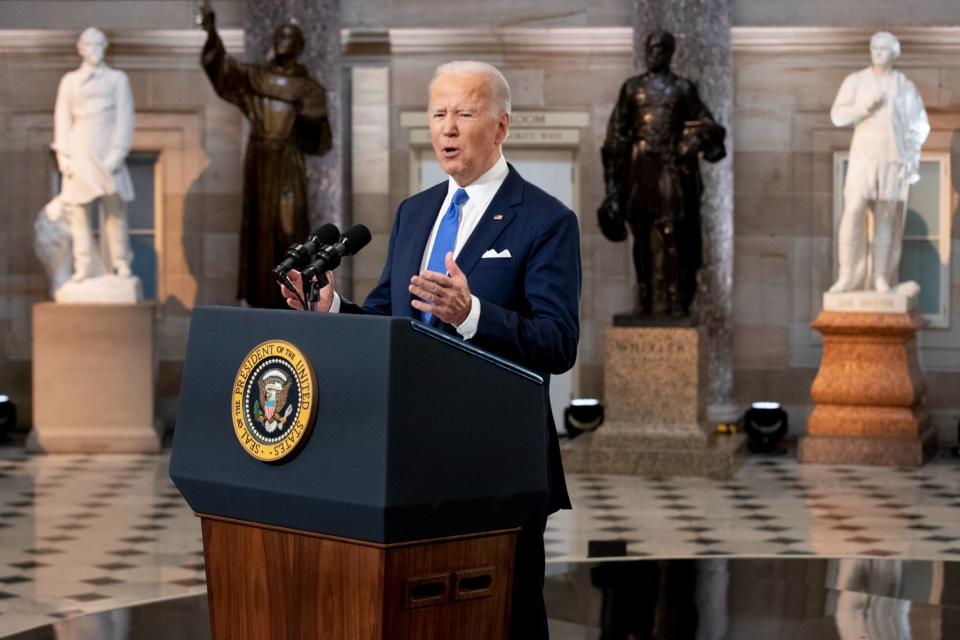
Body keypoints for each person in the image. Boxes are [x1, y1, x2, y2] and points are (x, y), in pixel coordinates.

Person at [282, 60, 581, 640]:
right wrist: (335, 312)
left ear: (500, 127)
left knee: (504, 619)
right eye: (438, 113)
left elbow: (558, 341)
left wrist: (472, 314)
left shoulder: (546, 220)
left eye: (465, 113)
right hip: (407, 457)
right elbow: (389, 319)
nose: (448, 127)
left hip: (499, 465)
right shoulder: (415, 212)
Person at [201, 5, 332, 308]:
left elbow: (321, 142)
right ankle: (261, 297)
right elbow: (222, 71)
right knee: (258, 232)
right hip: (260, 162)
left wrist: (310, 122)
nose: (284, 40)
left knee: (288, 230)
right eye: (280, 35)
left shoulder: (310, 89)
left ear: (298, 46)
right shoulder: (254, 77)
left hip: (288, 165)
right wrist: (211, 33)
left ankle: (292, 297)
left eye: (290, 36)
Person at [598, 30, 725, 317]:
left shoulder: (682, 88)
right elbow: (617, 135)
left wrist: (694, 141)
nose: (655, 53)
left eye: (661, 48)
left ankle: (675, 299)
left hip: (669, 166)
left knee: (671, 232)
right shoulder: (632, 89)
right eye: (651, 48)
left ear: (669, 53)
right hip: (639, 164)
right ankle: (644, 297)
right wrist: (612, 189)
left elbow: (708, 124)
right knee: (640, 234)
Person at [828, 31, 929, 294]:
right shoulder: (857, 81)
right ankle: (847, 274)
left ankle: (880, 277)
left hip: (891, 154)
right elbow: (837, 116)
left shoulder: (902, 84)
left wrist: (910, 154)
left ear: (894, 53)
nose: (879, 53)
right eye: (875, 48)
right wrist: (863, 108)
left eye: (884, 49)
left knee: (885, 217)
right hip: (864, 150)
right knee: (853, 210)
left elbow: (920, 123)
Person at [53, 27, 135, 281]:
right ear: (81, 49)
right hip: (80, 149)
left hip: (108, 147)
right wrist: (63, 156)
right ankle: (84, 265)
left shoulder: (117, 79)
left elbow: (125, 118)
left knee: (115, 209)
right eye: (89, 45)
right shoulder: (70, 81)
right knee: (78, 211)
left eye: (99, 45)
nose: (94, 50)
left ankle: (120, 262)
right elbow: (63, 119)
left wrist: (117, 154)